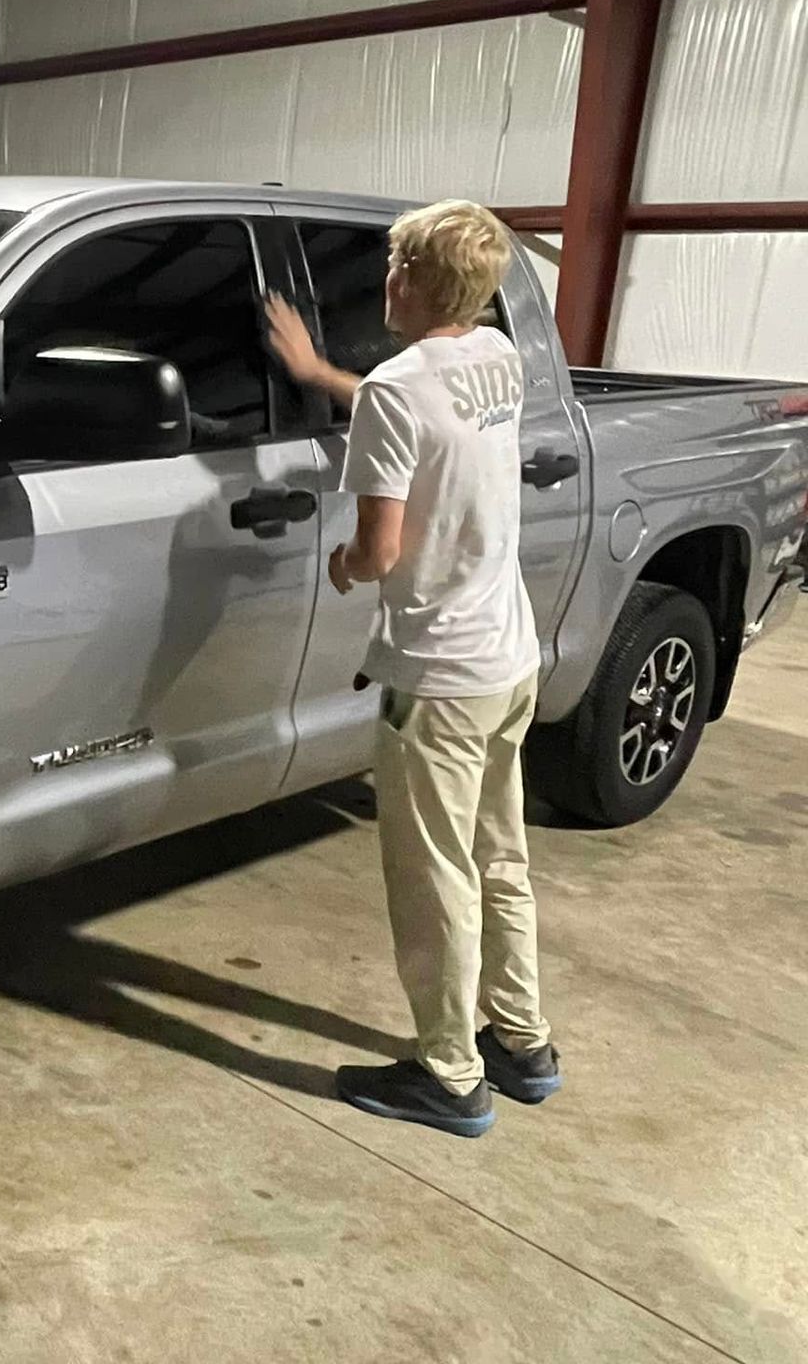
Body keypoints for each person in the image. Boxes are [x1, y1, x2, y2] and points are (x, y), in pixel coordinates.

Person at [264, 199, 562, 1138]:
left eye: (398, 269)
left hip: (437, 677)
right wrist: (322, 377)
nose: (384, 282)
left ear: (426, 283)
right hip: (509, 660)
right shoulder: (497, 362)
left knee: (437, 878)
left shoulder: (399, 388)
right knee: (499, 858)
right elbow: (426, 412)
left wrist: (344, 567)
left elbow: (379, 552)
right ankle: (522, 1042)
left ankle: (450, 1073)